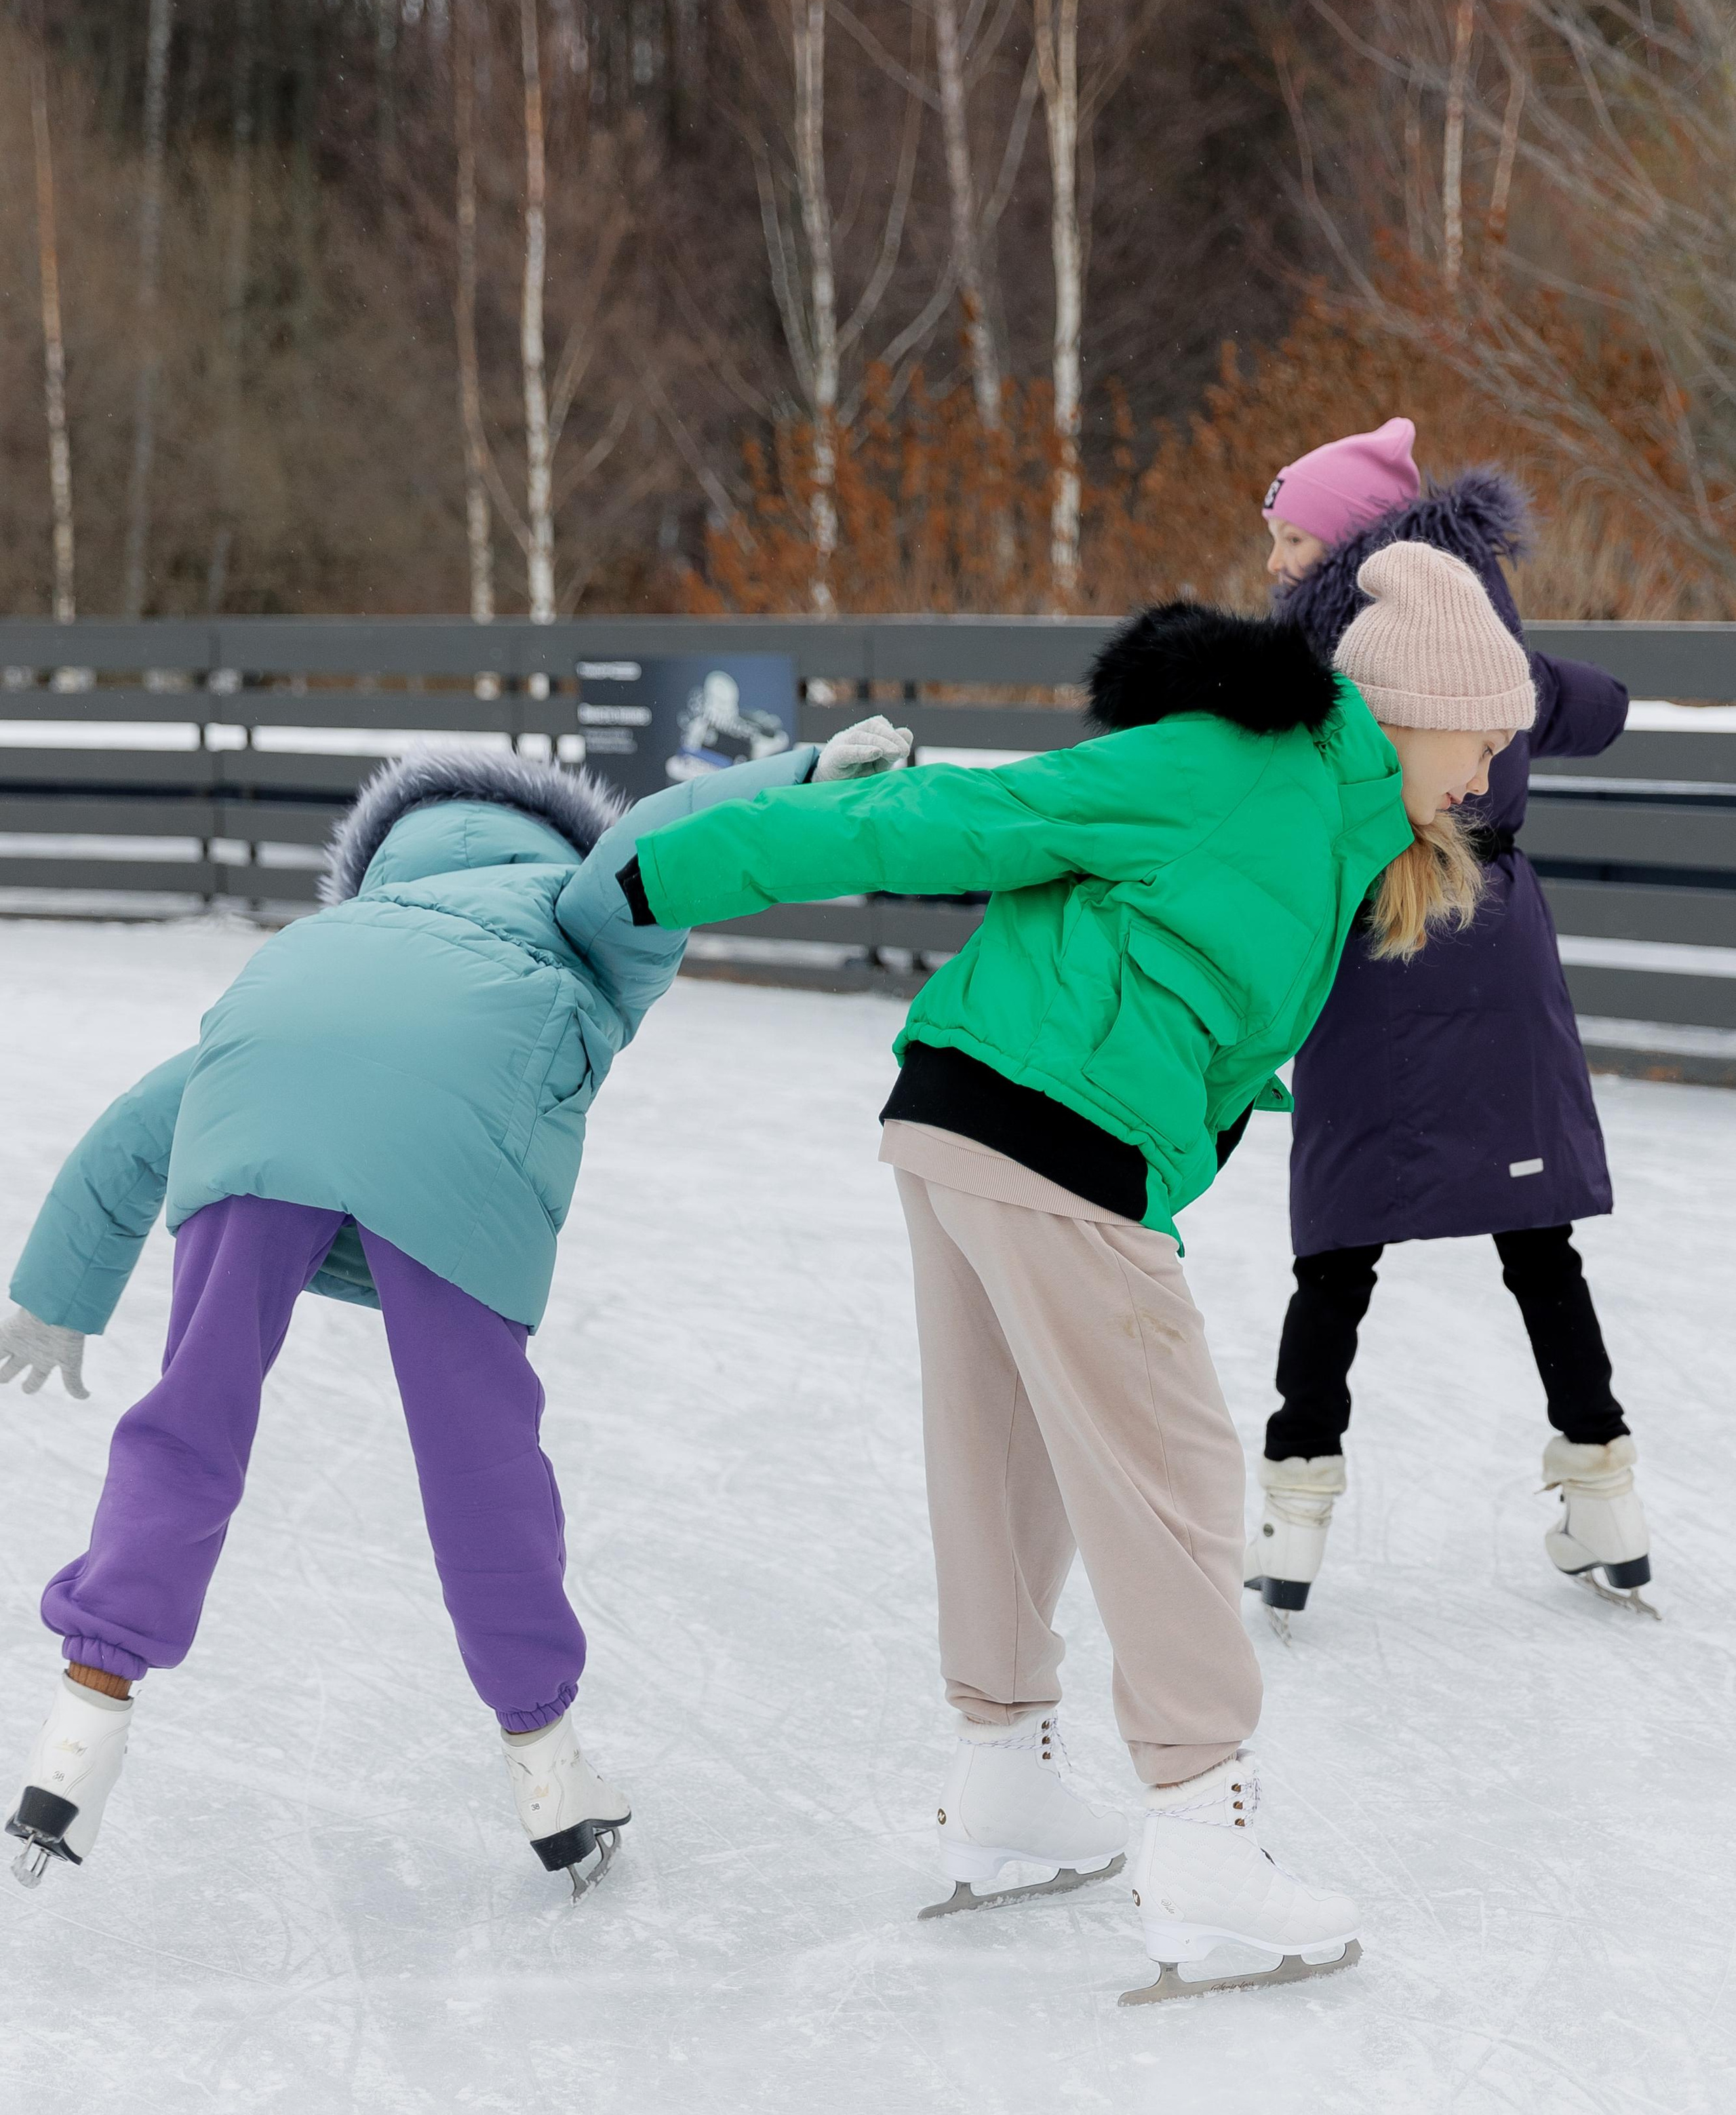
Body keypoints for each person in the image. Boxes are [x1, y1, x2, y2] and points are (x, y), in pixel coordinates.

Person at [610, 547, 1531, 2004]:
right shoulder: (1243, 763)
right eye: (1482, 728)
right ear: (1409, 707)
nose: (1491, 762)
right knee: (1166, 1476)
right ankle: (1203, 1833)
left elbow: (1198, 988)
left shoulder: (1343, 830)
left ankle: (1001, 1782)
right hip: (1049, 1132)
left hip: (972, 1121)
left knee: (1007, 1459)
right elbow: (969, 815)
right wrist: (671, 870)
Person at [1, 718, 911, 1898]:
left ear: (386, 861)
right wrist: (799, 776)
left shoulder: (338, 929)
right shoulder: (578, 900)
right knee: (479, 1462)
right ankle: (549, 1767)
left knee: (192, 1415)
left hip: (259, 1084)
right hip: (456, 1144)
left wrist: (54, 1294)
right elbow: (660, 837)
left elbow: (142, 1120)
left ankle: (79, 1729)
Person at [1252, 418, 1648, 1622]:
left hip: (1377, 943)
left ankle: (1296, 1509)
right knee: (1535, 1235)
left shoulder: (1321, 655)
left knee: (1340, 1243)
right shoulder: (1490, 630)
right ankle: (1605, 1491)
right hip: (1493, 948)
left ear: (1351, 542)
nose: (1275, 561)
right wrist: (1595, 697)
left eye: (1291, 536)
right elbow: (1589, 705)